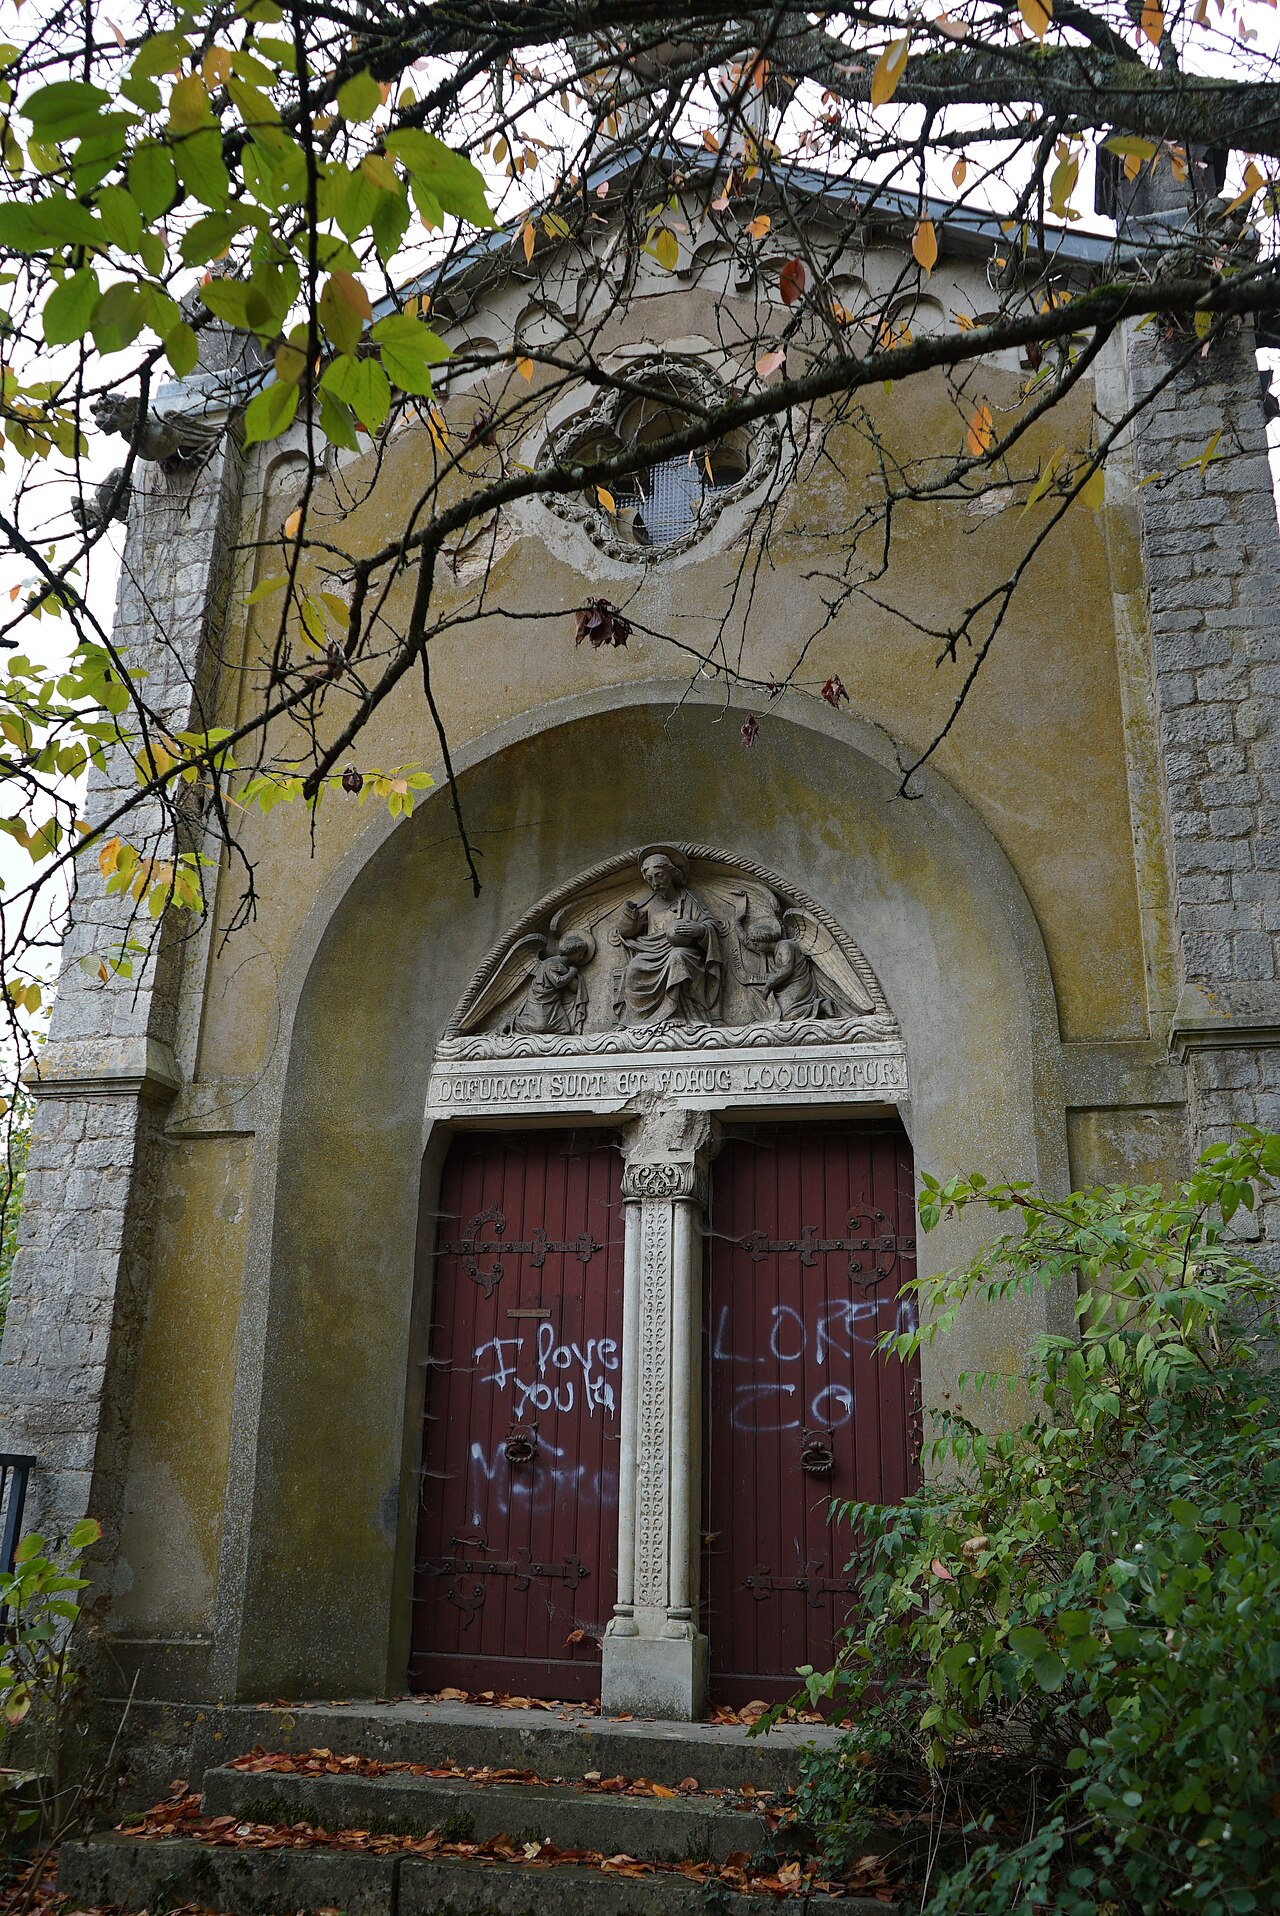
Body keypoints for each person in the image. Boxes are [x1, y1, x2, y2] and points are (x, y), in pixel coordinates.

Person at [613, 849, 723, 1024]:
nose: (655, 883)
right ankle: (638, 1021)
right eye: (650, 879)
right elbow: (626, 933)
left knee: (677, 957)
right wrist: (630, 918)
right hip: (651, 953)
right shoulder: (646, 904)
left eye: (659, 876)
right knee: (633, 967)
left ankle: (676, 1014)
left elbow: (710, 923)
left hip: (684, 952)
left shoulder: (688, 898)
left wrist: (699, 930)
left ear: (671, 874)